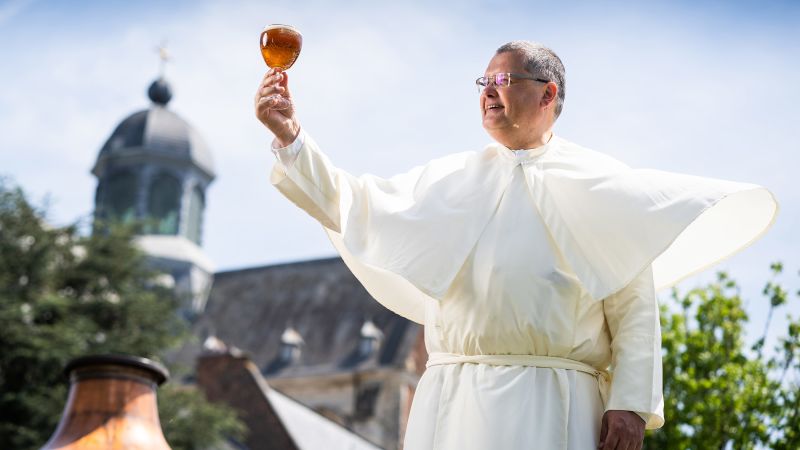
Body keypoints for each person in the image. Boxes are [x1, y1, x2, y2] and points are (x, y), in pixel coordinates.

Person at [255, 41, 777, 450]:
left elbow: (633, 304)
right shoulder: (447, 180)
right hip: (450, 403)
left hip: (557, 402)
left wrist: (632, 404)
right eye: (483, 81)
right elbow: (354, 202)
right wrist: (291, 137)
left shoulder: (602, 182)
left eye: (503, 79)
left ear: (548, 94)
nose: (488, 90)